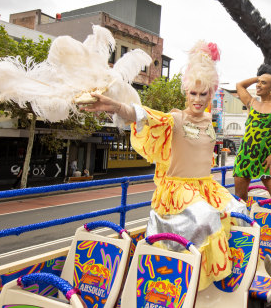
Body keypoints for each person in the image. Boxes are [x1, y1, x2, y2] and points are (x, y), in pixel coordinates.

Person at [80, 41, 246, 290]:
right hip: (179, 192)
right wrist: (115, 106)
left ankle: (230, 284)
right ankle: (189, 285)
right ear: (185, 92)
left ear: (211, 94)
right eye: (193, 93)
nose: (198, 100)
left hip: (206, 187)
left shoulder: (210, 119)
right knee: (208, 219)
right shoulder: (176, 119)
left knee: (240, 212)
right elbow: (144, 114)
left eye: (203, 94)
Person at [232, 67, 271, 206]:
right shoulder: (252, 102)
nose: (258, 85)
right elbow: (239, 85)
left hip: (266, 159)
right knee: (240, 198)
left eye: (263, 83)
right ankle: (245, 226)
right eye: (258, 82)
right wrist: (260, 77)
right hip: (245, 156)